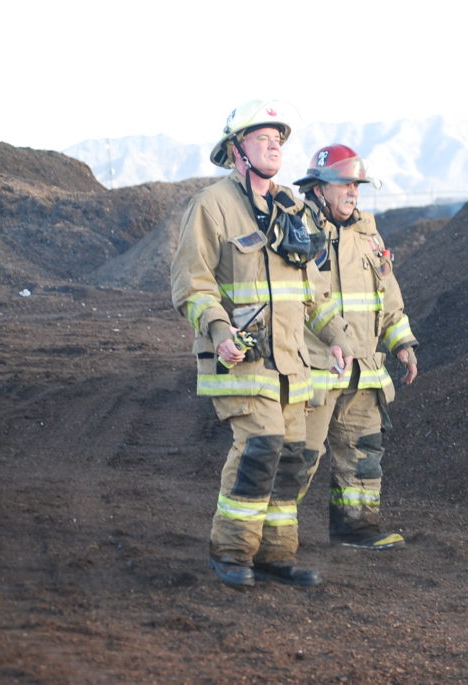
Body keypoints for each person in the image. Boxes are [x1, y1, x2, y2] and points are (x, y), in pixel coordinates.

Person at [170, 100, 353, 590]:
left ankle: (275, 554)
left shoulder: (292, 207)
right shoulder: (212, 206)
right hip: (242, 360)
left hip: (293, 364)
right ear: (237, 150)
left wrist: (336, 336)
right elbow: (191, 283)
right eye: (262, 139)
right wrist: (218, 329)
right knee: (260, 446)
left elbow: (314, 290)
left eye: (278, 140)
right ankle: (231, 552)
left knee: (291, 458)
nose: (274, 147)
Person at [294, 144, 419, 551]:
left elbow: (388, 295)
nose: (353, 192)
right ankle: (269, 534)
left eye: (357, 185)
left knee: (362, 452)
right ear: (318, 189)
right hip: (315, 369)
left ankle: (357, 528)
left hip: (364, 369)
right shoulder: (296, 231)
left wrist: (401, 343)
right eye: (344, 184)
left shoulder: (368, 234)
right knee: (299, 456)